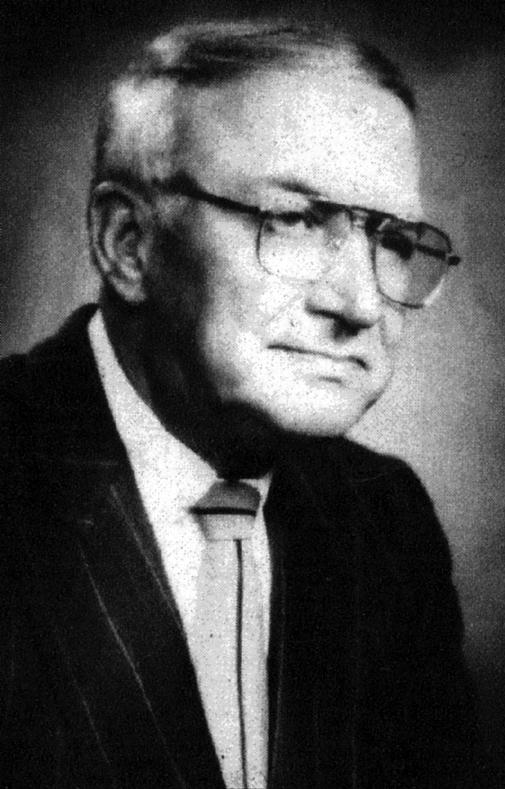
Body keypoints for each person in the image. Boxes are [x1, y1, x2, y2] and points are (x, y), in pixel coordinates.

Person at [0, 19, 479, 788]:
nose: (359, 304)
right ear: (129, 243)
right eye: (293, 218)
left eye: (394, 240)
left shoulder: (387, 521)